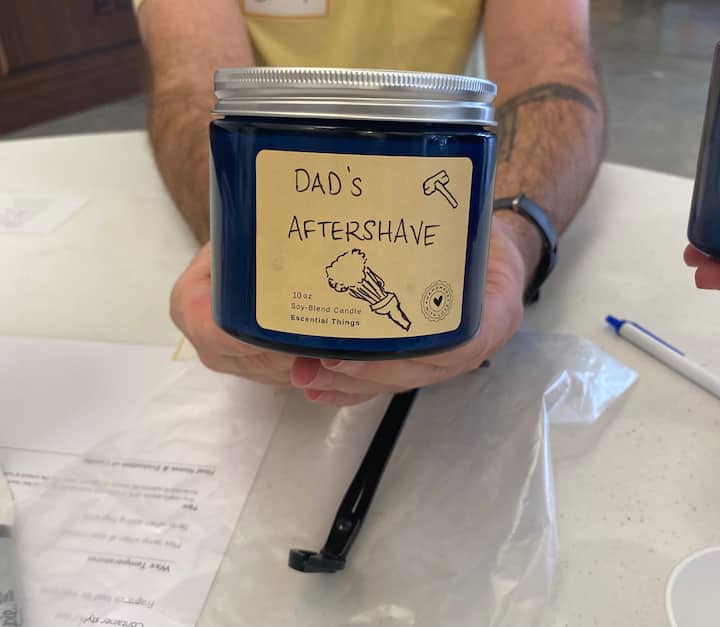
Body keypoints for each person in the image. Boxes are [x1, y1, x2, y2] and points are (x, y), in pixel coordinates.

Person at [135, 0, 606, 405]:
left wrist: (513, 235)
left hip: (433, 128)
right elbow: (189, 84)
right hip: (266, 121)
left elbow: (552, 72)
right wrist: (232, 229)